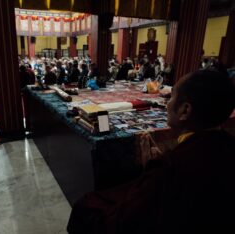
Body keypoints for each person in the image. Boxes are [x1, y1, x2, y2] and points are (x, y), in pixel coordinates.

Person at [67, 69, 235, 234]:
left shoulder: (170, 167)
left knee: (85, 207)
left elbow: (131, 220)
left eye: (170, 97)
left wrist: (149, 173)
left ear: (185, 110)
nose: (166, 104)